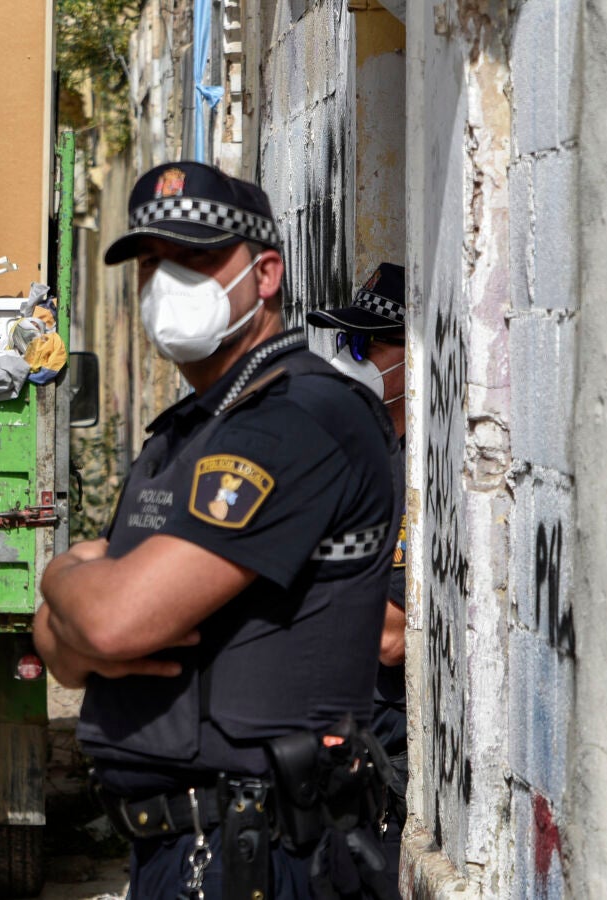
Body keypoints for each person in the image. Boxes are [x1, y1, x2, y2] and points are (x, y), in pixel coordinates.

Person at [33, 161, 399, 899]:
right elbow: (61, 656)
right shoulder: (187, 433)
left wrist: (59, 572)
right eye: (150, 262)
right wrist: (83, 607)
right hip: (185, 851)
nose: (165, 281)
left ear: (265, 275)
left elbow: (108, 623)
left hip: (261, 854)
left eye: (194, 258)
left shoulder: (298, 419)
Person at [307, 263, 409, 869]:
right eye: (347, 340)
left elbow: (390, 638)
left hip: (390, 754)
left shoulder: (416, 473)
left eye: (369, 344)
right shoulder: (362, 455)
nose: (351, 357)